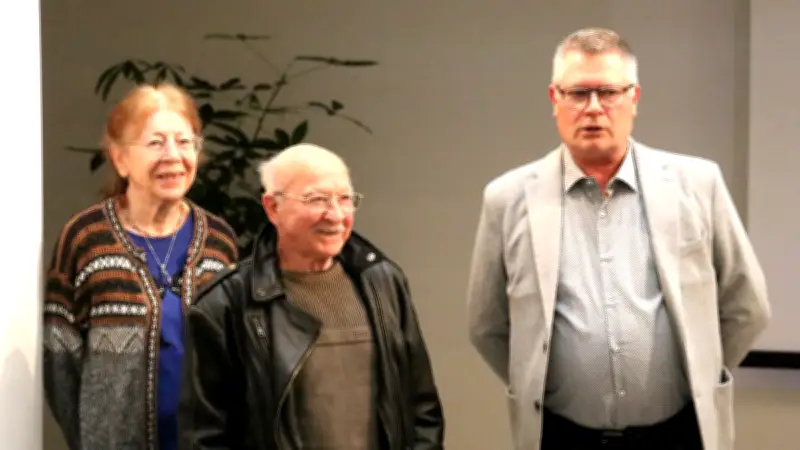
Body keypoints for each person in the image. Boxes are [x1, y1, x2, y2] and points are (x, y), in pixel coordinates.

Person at [466, 28, 770, 450]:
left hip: (679, 433)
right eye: (577, 94)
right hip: (561, 435)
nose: (593, 109)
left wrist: (697, 372)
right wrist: (541, 382)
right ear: (555, 99)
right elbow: (487, 324)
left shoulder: (698, 183)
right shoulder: (507, 197)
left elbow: (746, 306)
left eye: (608, 92)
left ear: (634, 99)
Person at [177, 143, 445, 450]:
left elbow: (421, 409)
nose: (335, 215)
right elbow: (204, 437)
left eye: (345, 199)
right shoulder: (226, 303)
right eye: (317, 199)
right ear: (272, 207)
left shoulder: (383, 283)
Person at [43, 83, 240, 450]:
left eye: (185, 142)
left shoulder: (220, 240)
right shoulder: (86, 238)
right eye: (155, 143)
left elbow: (234, 357)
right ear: (120, 159)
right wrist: (94, 437)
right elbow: (60, 358)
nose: (173, 156)